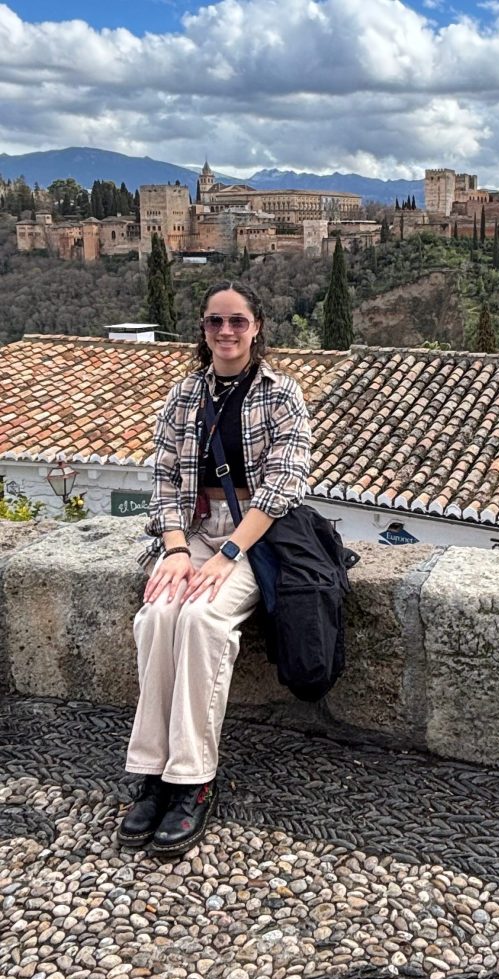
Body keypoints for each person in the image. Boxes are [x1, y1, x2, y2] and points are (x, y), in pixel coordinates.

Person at [118, 280, 311, 856]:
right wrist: (176, 549)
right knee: (157, 616)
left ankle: (193, 780)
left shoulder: (282, 394)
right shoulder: (183, 396)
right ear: (202, 330)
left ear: (257, 327)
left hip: (255, 537)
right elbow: (163, 478)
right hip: (193, 531)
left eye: (237, 321)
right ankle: (152, 772)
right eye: (214, 322)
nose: (226, 331)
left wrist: (231, 554)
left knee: (203, 620)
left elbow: (284, 483)